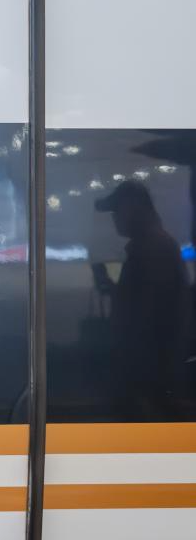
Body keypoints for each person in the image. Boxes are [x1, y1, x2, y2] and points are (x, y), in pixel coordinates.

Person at [94, 179, 188, 419]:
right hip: (148, 377)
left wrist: (138, 386)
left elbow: (147, 319)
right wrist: (113, 290)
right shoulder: (153, 247)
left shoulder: (153, 250)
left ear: (132, 210)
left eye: (117, 211)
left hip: (147, 378)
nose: (114, 219)